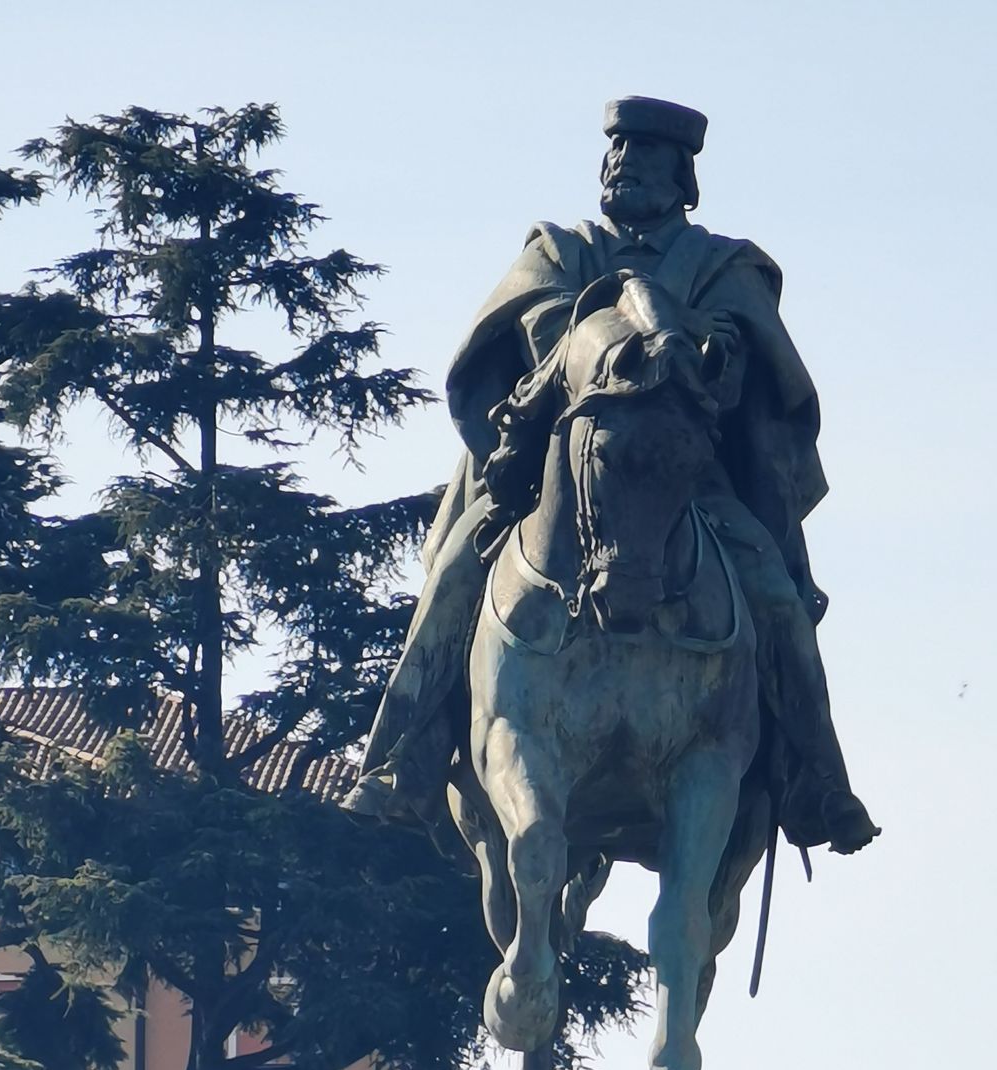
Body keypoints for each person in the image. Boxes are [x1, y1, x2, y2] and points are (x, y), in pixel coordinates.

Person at [346, 95, 879, 858]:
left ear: (682, 176)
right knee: (457, 571)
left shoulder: (726, 267)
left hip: (684, 484)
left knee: (775, 595)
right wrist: (644, 328)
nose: (624, 166)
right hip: (552, 479)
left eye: (645, 155)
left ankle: (818, 777)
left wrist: (709, 355)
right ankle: (405, 756)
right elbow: (539, 338)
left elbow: (744, 375)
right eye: (617, 152)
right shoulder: (559, 251)